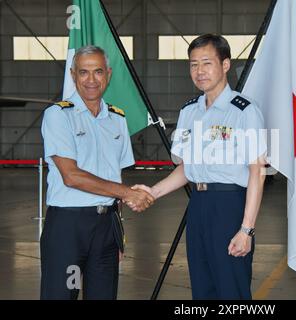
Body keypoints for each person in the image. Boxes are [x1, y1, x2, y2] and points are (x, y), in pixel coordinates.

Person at [132, 34, 267, 299]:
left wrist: (246, 229)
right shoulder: (189, 112)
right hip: (198, 206)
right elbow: (186, 168)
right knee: (203, 289)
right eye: (193, 64)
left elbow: (257, 172)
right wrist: (152, 192)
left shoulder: (245, 111)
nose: (199, 71)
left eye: (207, 63)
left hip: (230, 206)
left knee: (232, 290)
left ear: (225, 65)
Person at [40, 45, 154, 300]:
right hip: (69, 227)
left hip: (106, 228)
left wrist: (118, 234)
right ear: (73, 74)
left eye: (98, 72)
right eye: (84, 72)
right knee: (61, 295)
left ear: (109, 74)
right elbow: (71, 176)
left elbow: (116, 178)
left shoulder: (117, 119)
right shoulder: (58, 116)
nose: (91, 80)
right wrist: (127, 194)